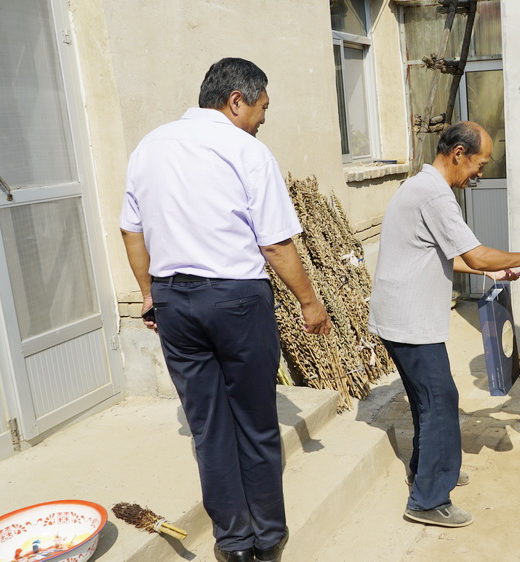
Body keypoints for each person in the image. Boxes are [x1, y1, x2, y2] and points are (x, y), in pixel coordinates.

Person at [119, 58, 331, 562]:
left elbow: (131, 229)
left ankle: (232, 543)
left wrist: (150, 293)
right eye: (261, 108)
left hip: (174, 301)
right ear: (236, 101)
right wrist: (310, 302)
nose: (262, 119)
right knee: (256, 422)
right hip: (236, 300)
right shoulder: (245, 150)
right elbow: (277, 245)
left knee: (208, 428)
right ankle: (268, 537)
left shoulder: (149, 146)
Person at [369, 121, 520, 528]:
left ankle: (429, 470)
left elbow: (442, 254)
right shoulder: (434, 194)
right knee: (439, 400)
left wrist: (490, 274)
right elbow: (479, 253)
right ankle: (428, 500)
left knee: (426, 400)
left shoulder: (423, 187)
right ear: (458, 154)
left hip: (402, 314)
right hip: (408, 317)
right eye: (479, 163)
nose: (480, 172)